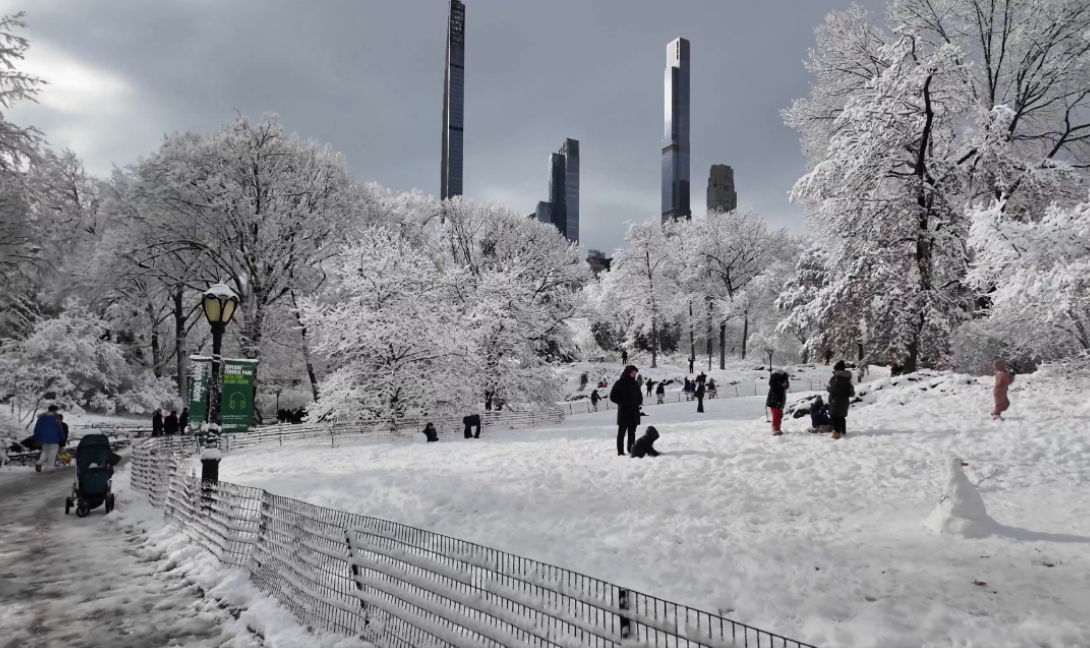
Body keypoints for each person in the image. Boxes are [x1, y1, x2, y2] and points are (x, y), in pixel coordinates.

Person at [609, 365, 643, 456]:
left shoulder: (635, 384)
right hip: (624, 413)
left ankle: (631, 448)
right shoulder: (620, 383)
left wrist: (639, 401)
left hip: (634, 412)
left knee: (632, 433)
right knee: (621, 434)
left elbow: (639, 396)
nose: (634, 375)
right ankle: (620, 452)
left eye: (635, 373)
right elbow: (613, 397)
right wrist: (623, 402)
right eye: (632, 373)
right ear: (628, 373)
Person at [827, 361, 855, 439]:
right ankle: (843, 431)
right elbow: (851, 392)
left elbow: (834, 389)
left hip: (836, 400)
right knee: (841, 417)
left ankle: (837, 432)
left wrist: (828, 388)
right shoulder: (847, 378)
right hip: (844, 401)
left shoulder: (837, 378)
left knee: (834, 416)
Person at [34, 405, 64, 472]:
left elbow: (37, 429)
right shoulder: (57, 418)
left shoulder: (41, 418)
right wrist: (62, 437)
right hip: (54, 438)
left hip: (44, 438)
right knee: (52, 452)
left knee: (44, 451)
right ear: (55, 410)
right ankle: (49, 467)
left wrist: (37, 437)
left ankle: (39, 463)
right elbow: (59, 428)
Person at [766, 370, 790, 436]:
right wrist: (777, 403)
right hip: (775, 402)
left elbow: (785, 388)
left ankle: (777, 428)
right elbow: (775, 394)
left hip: (779, 402)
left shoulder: (781, 385)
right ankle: (775, 429)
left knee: (779, 415)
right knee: (776, 416)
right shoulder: (776, 384)